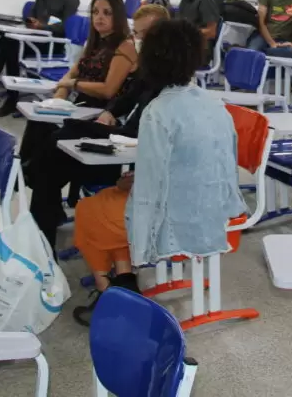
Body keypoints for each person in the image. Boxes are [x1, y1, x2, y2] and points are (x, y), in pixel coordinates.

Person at [70, 19, 246, 325]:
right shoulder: (214, 103)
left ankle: (112, 299)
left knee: (89, 211)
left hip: (178, 216)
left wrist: (131, 187)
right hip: (214, 205)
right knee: (110, 201)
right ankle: (124, 281)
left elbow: (150, 191)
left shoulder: (158, 111)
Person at [29, 4, 170, 248]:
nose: (138, 40)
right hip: (124, 136)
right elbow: (128, 98)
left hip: (133, 146)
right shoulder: (150, 65)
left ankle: (40, 234)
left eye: (143, 34)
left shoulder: (171, 73)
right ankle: (41, 236)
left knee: (54, 151)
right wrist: (109, 112)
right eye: (137, 34)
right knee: (56, 139)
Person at [17, 0, 137, 165]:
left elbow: (107, 90)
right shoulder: (94, 42)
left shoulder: (125, 46)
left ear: (118, 16)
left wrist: (73, 84)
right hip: (81, 106)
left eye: (107, 13)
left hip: (103, 114)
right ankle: (20, 171)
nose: (100, 17)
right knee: (38, 122)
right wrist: (59, 97)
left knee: (54, 141)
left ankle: (28, 173)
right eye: (95, 12)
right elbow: (72, 73)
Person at [0, 0, 81, 116]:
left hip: (52, 43)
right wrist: (31, 21)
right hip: (35, 37)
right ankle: (2, 86)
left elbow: (66, 27)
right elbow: (34, 13)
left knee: (11, 46)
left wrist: (42, 26)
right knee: (6, 40)